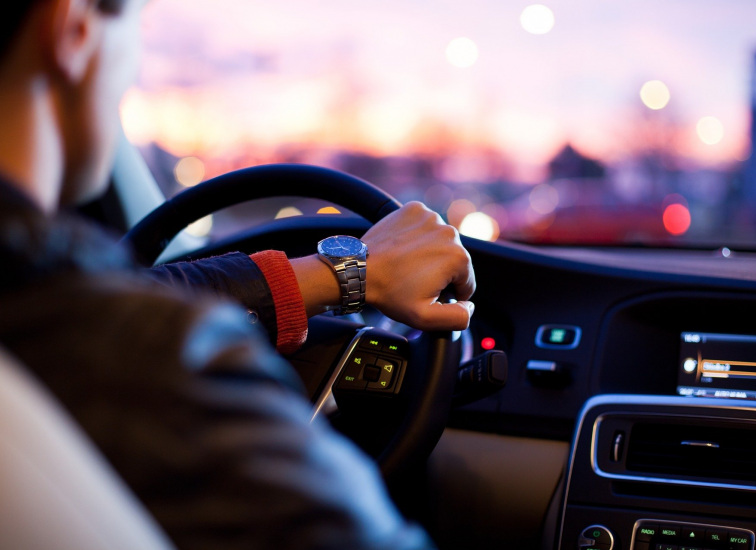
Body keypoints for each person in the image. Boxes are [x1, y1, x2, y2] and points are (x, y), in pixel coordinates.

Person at [0, 0, 476, 548]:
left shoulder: (50, 311)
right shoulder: (163, 370)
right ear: (76, 29)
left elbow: (127, 293)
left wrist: (346, 274)